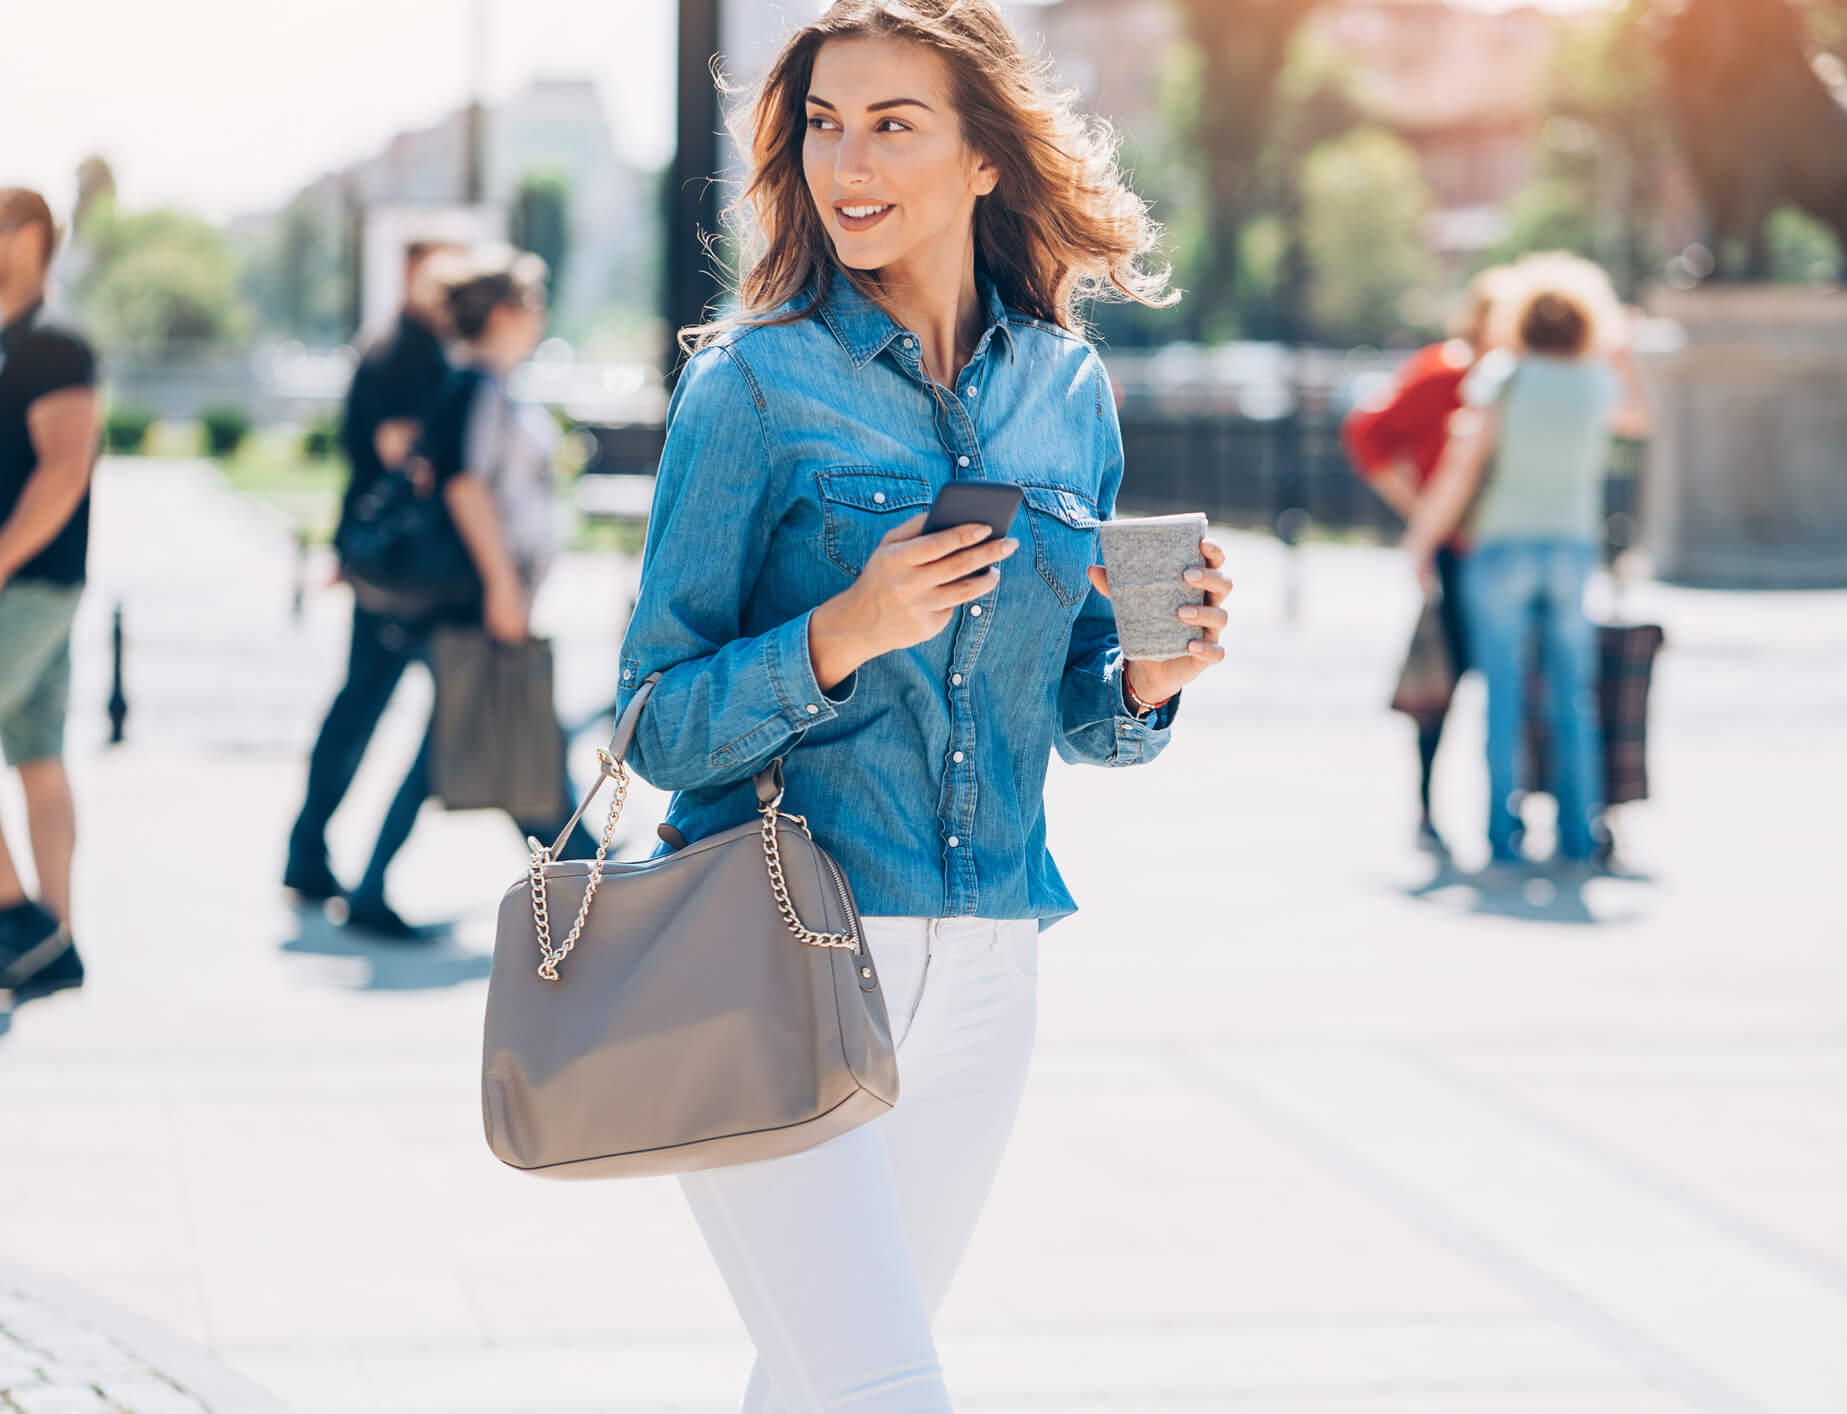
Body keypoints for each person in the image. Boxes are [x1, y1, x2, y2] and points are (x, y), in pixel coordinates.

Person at [613, 2, 1233, 1406]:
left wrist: (1145, 677)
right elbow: (650, 719)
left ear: (983, 161)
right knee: (889, 1388)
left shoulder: (1066, 391)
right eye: (824, 125)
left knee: (821, 1384)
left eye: (893, 123)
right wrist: (842, 631)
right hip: (775, 951)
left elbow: (1078, 706)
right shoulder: (755, 385)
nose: (848, 163)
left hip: (990, 964)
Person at [343, 248, 591, 937]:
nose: (540, 318)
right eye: (534, 305)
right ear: (507, 313)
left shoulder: (479, 383)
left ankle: (580, 861)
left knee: (463, 733)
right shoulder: (477, 387)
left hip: (484, 594)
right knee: (490, 727)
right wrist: (503, 587)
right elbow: (464, 486)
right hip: (479, 598)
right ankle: (584, 865)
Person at [1407, 253, 1651, 869]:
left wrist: (1422, 538)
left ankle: (1501, 839)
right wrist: (1619, 347)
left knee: (1504, 699)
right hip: (1571, 551)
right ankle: (1576, 836)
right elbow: (1641, 419)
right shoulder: (1596, 383)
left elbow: (1464, 469)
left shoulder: (1503, 375)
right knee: (1574, 699)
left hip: (1500, 550)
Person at [284, 238, 462, 904]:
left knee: (381, 706)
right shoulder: (404, 352)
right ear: (410, 276)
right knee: (369, 707)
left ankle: (311, 855)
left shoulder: (414, 346)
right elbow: (401, 453)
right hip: (399, 568)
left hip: (396, 564)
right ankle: (310, 854)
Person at [1342, 267, 1514, 849]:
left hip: (1504, 549)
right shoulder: (1448, 370)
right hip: (1460, 554)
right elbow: (1367, 432)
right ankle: (1426, 807)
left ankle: (1510, 810)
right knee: (1445, 680)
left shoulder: (1518, 376)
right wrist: (1422, 514)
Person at [0, 188, 99, 1005]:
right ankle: (52, 944)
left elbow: (66, 468)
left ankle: (15, 918)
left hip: (26, 581)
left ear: (31, 236)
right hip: (26, 582)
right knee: (36, 756)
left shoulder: (53, 344)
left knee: (38, 758)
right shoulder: (8, 342)